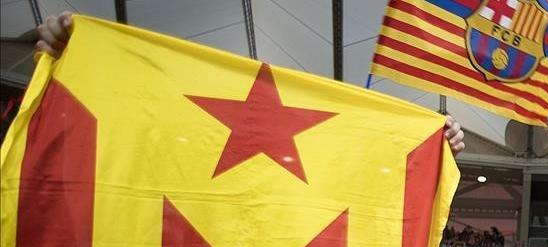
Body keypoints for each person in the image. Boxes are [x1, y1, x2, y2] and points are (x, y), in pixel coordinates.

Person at [35, 12, 469, 155]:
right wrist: (71, 62)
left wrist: (433, 147)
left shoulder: (351, 104)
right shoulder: (196, 41)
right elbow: (127, 124)